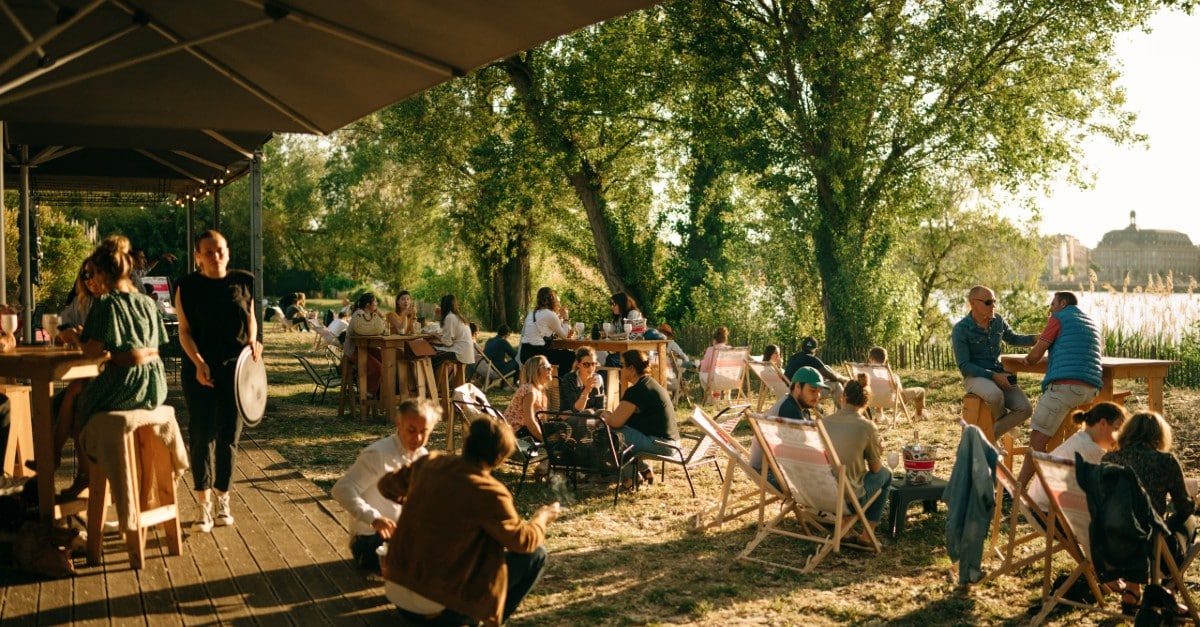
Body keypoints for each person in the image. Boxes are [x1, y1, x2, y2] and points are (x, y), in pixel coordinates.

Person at [378, 417, 560, 627]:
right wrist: (542, 518)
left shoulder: (430, 463)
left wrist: (425, 504)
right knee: (536, 555)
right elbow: (523, 541)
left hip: (396, 586)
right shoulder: (489, 492)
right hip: (439, 608)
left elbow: (387, 486)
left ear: (466, 443)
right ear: (500, 458)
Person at [56, 237, 170, 499]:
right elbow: (156, 343)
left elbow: (93, 350)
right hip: (155, 384)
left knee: (78, 403)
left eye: (92, 273)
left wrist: (75, 338)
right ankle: (79, 472)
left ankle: (84, 474)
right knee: (76, 392)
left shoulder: (107, 303)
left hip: (127, 385)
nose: (90, 279)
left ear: (103, 273)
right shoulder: (146, 302)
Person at [176, 229, 260, 533]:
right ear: (198, 256)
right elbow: (184, 331)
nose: (216, 256)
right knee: (201, 435)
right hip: (199, 369)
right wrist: (198, 362)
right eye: (208, 252)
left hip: (237, 371)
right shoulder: (187, 286)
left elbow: (250, 317)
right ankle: (204, 506)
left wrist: (254, 341)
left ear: (228, 251)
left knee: (228, 436)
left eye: (220, 250)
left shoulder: (244, 280)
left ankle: (224, 498)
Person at [332, 400, 438, 572]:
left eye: (423, 432)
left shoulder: (422, 456)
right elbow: (342, 489)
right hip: (371, 540)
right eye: (411, 430)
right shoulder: (378, 454)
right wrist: (374, 518)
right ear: (399, 424)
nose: (417, 438)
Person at [1016, 291, 1103, 488]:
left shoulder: (1058, 318)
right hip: (1091, 390)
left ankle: (1019, 488)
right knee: (1057, 434)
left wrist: (1027, 360)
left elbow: (1037, 353)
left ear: (1063, 303)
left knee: (1037, 438)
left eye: (1053, 303)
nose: (1050, 308)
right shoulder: (1090, 322)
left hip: (1066, 386)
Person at [1102, 412, 1195, 568]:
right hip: (1148, 540)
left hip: (1111, 538)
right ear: (1160, 435)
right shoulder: (1165, 461)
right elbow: (1183, 507)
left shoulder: (1109, 459)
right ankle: (1170, 582)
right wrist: (1195, 502)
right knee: (1189, 521)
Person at [951, 285, 1036, 439]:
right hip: (975, 377)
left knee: (1026, 409)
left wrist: (1038, 339)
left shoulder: (998, 321)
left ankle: (993, 434)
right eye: (988, 302)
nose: (994, 306)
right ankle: (998, 431)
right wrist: (993, 376)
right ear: (973, 303)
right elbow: (965, 366)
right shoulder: (960, 330)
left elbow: (1014, 339)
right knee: (995, 394)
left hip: (1000, 375)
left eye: (995, 301)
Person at [822, 374, 892, 539]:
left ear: (843, 397)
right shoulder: (867, 427)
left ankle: (845, 525)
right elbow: (875, 469)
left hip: (822, 494)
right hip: (848, 500)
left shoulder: (824, 422)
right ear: (866, 402)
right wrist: (877, 451)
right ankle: (868, 533)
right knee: (886, 475)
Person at [599, 349, 680, 487]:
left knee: (610, 434)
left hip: (662, 444)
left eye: (622, 365)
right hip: (672, 443)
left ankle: (631, 478)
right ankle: (645, 470)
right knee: (623, 433)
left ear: (631, 369)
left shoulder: (636, 391)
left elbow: (615, 422)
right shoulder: (650, 383)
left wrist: (602, 413)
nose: (620, 368)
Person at [1028, 402, 1126, 512]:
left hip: (1037, 506)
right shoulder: (1092, 450)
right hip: (1051, 514)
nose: (1119, 437)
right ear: (1103, 423)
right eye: (1117, 429)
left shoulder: (1080, 438)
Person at [749, 366, 830, 484]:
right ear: (797, 387)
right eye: (813, 390)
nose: (817, 396)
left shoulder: (794, 404)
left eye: (819, 391)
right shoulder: (789, 410)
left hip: (771, 466)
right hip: (768, 472)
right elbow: (804, 452)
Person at [519, 286, 574, 371]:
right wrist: (566, 317)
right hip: (537, 355)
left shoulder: (532, 313)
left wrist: (558, 319)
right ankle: (560, 382)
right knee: (570, 356)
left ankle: (555, 380)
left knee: (561, 355)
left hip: (524, 355)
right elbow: (565, 336)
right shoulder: (549, 314)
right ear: (553, 300)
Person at [783, 336, 848, 408]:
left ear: (802, 347)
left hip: (786, 391)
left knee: (826, 368)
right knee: (836, 384)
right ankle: (846, 411)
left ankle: (820, 410)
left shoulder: (793, 358)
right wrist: (845, 379)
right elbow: (833, 377)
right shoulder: (813, 360)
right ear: (816, 350)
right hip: (801, 394)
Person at [343, 293, 386, 397]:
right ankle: (368, 394)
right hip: (354, 350)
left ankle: (381, 392)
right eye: (375, 301)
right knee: (378, 368)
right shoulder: (359, 315)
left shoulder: (367, 316)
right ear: (368, 305)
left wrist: (380, 316)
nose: (376, 303)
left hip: (364, 348)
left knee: (386, 358)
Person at [867, 346, 926, 419]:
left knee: (879, 390)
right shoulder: (890, 375)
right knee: (921, 391)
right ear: (885, 359)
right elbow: (899, 390)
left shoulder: (865, 374)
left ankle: (879, 415)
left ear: (871, 359)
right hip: (892, 402)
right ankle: (919, 416)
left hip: (870, 400)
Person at [504, 356, 551, 443]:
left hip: (527, 428)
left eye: (550, 366)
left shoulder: (541, 390)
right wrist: (546, 441)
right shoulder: (529, 390)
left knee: (562, 429)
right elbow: (530, 421)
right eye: (546, 367)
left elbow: (543, 420)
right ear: (536, 371)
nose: (550, 369)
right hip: (516, 432)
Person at [430, 294, 475, 372]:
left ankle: (434, 383)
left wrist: (436, 335)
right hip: (466, 352)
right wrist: (441, 316)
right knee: (435, 349)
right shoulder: (458, 316)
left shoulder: (450, 317)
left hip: (459, 352)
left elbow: (447, 343)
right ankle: (439, 382)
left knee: (432, 356)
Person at [560, 346, 605, 413]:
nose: (591, 368)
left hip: (591, 417)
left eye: (593, 364)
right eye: (586, 364)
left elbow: (600, 408)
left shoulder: (597, 379)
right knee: (588, 413)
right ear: (578, 364)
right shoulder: (569, 379)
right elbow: (576, 409)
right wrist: (587, 389)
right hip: (570, 418)